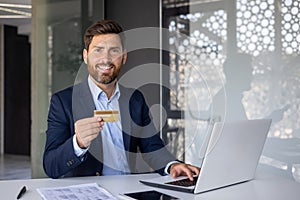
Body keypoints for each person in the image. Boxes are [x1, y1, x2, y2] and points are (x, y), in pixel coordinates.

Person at [43, 20, 200, 180]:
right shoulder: (63, 102)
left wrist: (172, 165)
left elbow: (151, 146)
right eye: (98, 50)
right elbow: (51, 166)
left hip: (129, 192)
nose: (106, 58)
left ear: (123, 57)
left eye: (114, 51)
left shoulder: (135, 99)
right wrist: (78, 143)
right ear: (85, 56)